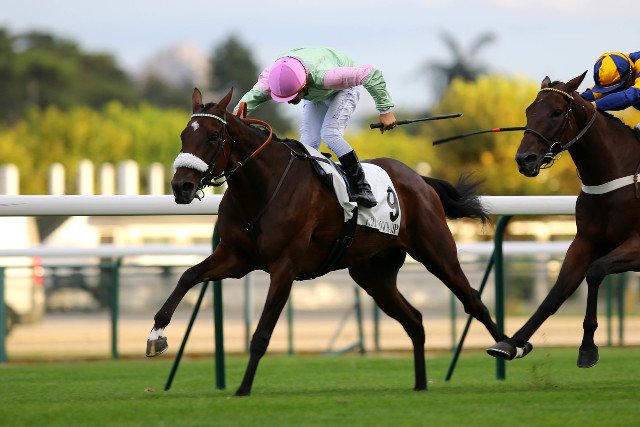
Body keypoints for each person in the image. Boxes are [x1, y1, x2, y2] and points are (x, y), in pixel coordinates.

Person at [234, 47, 397, 208]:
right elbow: (246, 102)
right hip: (315, 93)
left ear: (304, 84)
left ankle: (363, 187)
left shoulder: (326, 76)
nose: (290, 102)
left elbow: (370, 74)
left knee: (330, 135)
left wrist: (385, 110)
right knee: (307, 145)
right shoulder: (270, 80)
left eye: (293, 96)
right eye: (285, 98)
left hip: (343, 89)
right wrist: (235, 117)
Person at [580, 51, 640, 129]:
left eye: (618, 88)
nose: (615, 92)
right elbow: (597, 93)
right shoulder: (623, 64)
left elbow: (631, 96)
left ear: (630, 78)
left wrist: (593, 105)